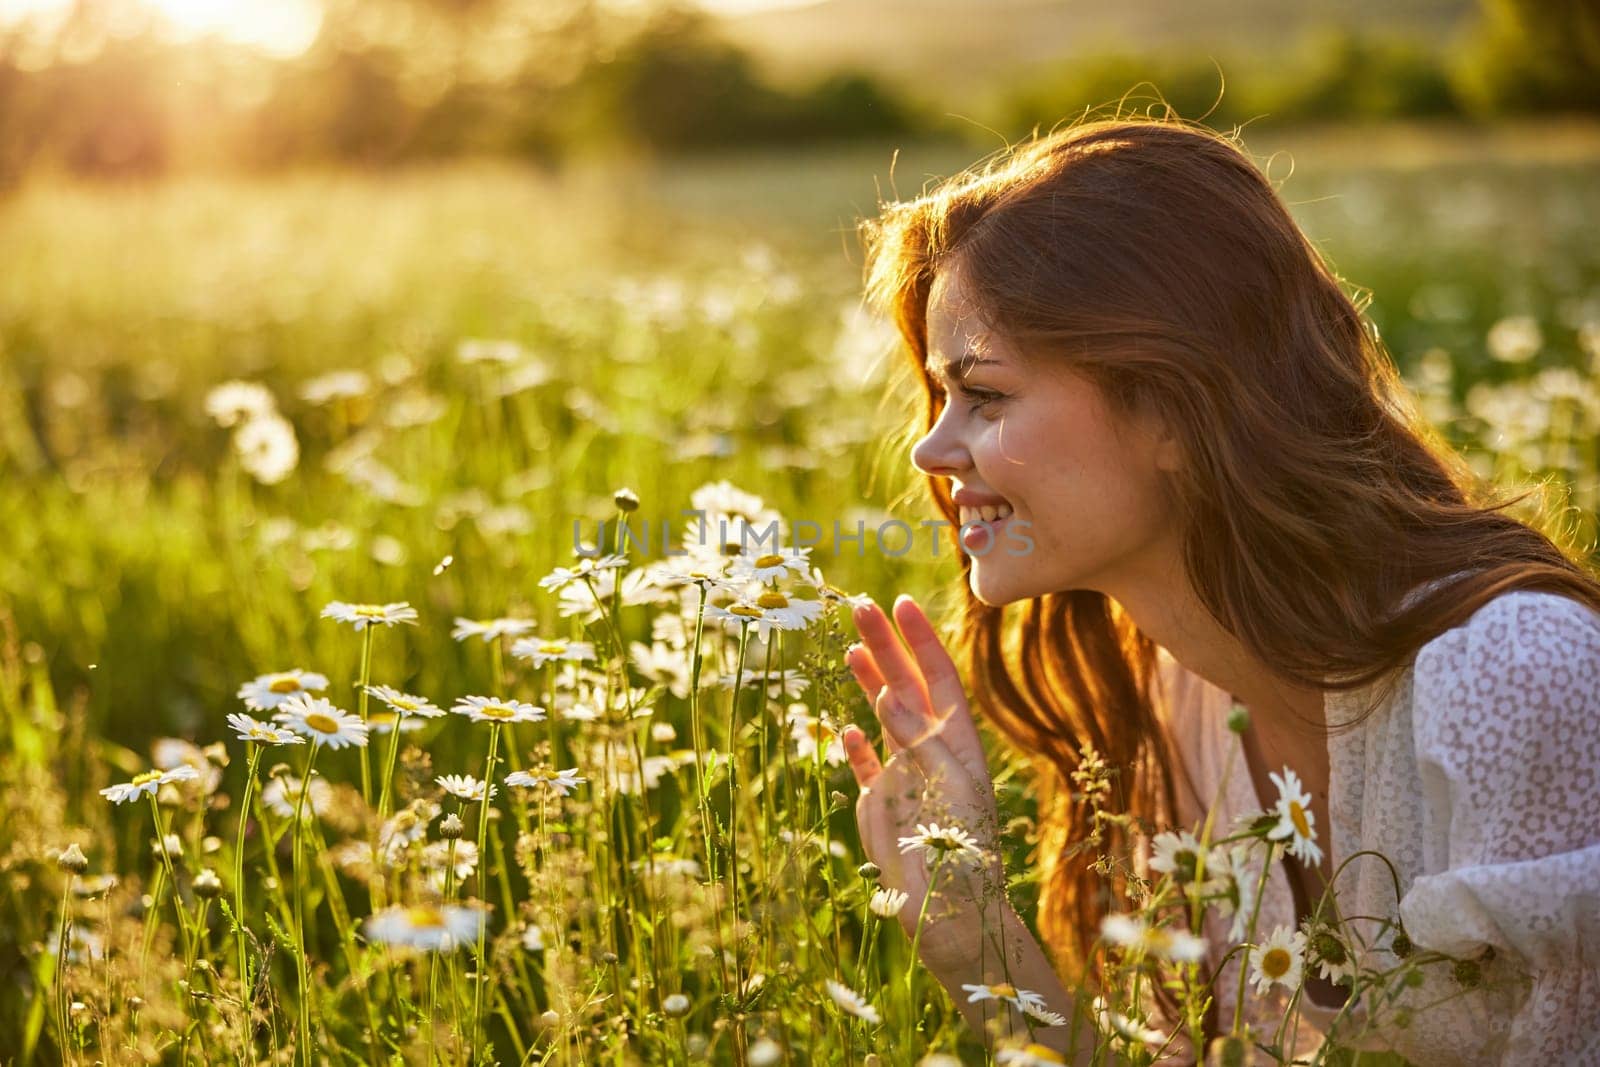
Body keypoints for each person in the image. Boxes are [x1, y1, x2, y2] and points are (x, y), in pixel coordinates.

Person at [839, 115, 1600, 1065]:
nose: (931, 448)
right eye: (942, 397)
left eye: (986, 397)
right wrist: (968, 929)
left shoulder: (1512, 673)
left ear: (1174, 406)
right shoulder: (1175, 707)